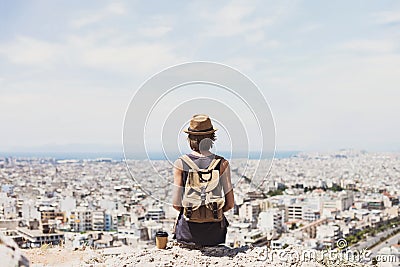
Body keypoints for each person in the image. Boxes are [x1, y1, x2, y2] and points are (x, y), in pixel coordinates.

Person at [172, 114, 234, 246]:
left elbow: (176, 204)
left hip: (188, 232)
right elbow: (230, 204)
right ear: (212, 138)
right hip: (214, 234)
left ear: (190, 138)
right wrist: (212, 212)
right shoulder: (222, 164)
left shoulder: (181, 163)